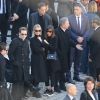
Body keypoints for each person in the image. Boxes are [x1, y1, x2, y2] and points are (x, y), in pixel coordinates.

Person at [8, 27, 40, 100]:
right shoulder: (14, 41)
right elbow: (10, 54)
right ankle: (15, 97)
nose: (24, 36)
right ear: (19, 33)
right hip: (17, 66)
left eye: (25, 34)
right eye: (22, 34)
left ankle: (22, 95)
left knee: (23, 81)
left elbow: (27, 53)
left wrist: (28, 64)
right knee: (17, 83)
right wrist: (15, 63)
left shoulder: (26, 42)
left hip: (25, 66)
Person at [55, 17, 83, 91]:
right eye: (67, 23)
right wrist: (59, 54)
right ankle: (56, 86)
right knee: (58, 71)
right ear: (63, 24)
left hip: (66, 54)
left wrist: (75, 45)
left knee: (63, 70)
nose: (69, 24)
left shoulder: (67, 31)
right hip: (59, 55)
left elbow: (69, 41)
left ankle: (62, 84)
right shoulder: (56, 31)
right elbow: (56, 45)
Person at [68, 3, 90, 81]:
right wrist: (77, 37)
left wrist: (83, 37)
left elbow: (88, 30)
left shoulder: (86, 18)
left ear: (81, 10)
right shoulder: (69, 18)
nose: (75, 11)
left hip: (82, 42)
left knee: (78, 59)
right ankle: (68, 76)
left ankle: (76, 76)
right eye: (74, 9)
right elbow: (69, 31)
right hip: (72, 43)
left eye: (77, 9)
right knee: (70, 60)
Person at [30, 24, 47, 94]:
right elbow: (36, 49)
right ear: (34, 31)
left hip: (41, 58)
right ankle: (34, 90)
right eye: (36, 31)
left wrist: (41, 43)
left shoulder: (42, 39)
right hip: (35, 59)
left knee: (40, 74)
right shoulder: (32, 39)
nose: (38, 32)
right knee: (35, 74)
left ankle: (35, 89)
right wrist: (42, 48)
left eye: (39, 31)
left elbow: (46, 47)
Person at [43, 25, 60, 95]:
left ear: (52, 32)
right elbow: (43, 48)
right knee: (46, 73)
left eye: (50, 31)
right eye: (47, 31)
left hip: (52, 58)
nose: (48, 33)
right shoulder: (45, 37)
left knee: (52, 73)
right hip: (45, 58)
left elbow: (54, 49)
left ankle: (52, 88)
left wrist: (47, 44)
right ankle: (47, 88)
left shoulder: (55, 38)